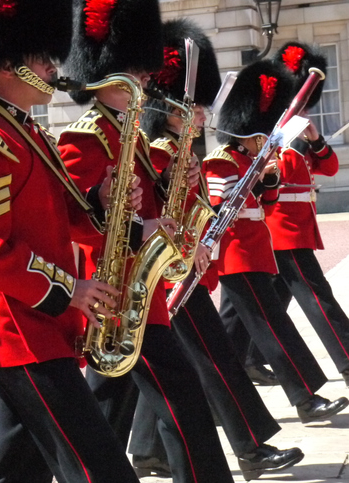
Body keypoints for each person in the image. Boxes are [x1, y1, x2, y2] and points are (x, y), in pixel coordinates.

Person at [0, 1, 144, 481]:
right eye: (42, 57)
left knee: (18, 471)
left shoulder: (26, 132)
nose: (55, 67)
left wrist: (104, 198)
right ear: (7, 63)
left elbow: (62, 217)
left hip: (41, 326)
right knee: (101, 466)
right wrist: (71, 291)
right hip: (18, 329)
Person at [57, 3, 235, 482]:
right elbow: (78, 221)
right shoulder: (84, 137)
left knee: (104, 407)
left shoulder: (128, 131)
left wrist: (175, 187)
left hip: (140, 285)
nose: (144, 72)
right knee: (182, 397)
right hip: (117, 289)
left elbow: (147, 208)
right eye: (135, 64)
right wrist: (142, 228)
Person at [127, 19, 303, 481]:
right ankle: (249, 447)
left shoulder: (179, 150)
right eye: (195, 106)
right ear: (169, 107)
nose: (203, 113)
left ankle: (146, 450)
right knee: (212, 357)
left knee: (179, 365)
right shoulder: (160, 150)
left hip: (183, 266)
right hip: (168, 272)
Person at [203, 58, 348, 425]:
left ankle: (216, 405)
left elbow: (264, 205)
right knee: (274, 327)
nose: (264, 141)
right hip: (237, 255)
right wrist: (258, 177)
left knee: (230, 334)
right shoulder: (221, 161)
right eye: (259, 135)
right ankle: (305, 397)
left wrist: (265, 180)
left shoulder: (257, 157)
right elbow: (223, 212)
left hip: (256, 252)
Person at [266, 42, 349, 387]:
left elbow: (330, 168)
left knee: (262, 307)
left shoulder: (300, 132)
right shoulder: (271, 129)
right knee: (317, 297)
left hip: (296, 226)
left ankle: (250, 359)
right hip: (280, 228)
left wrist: (314, 138)